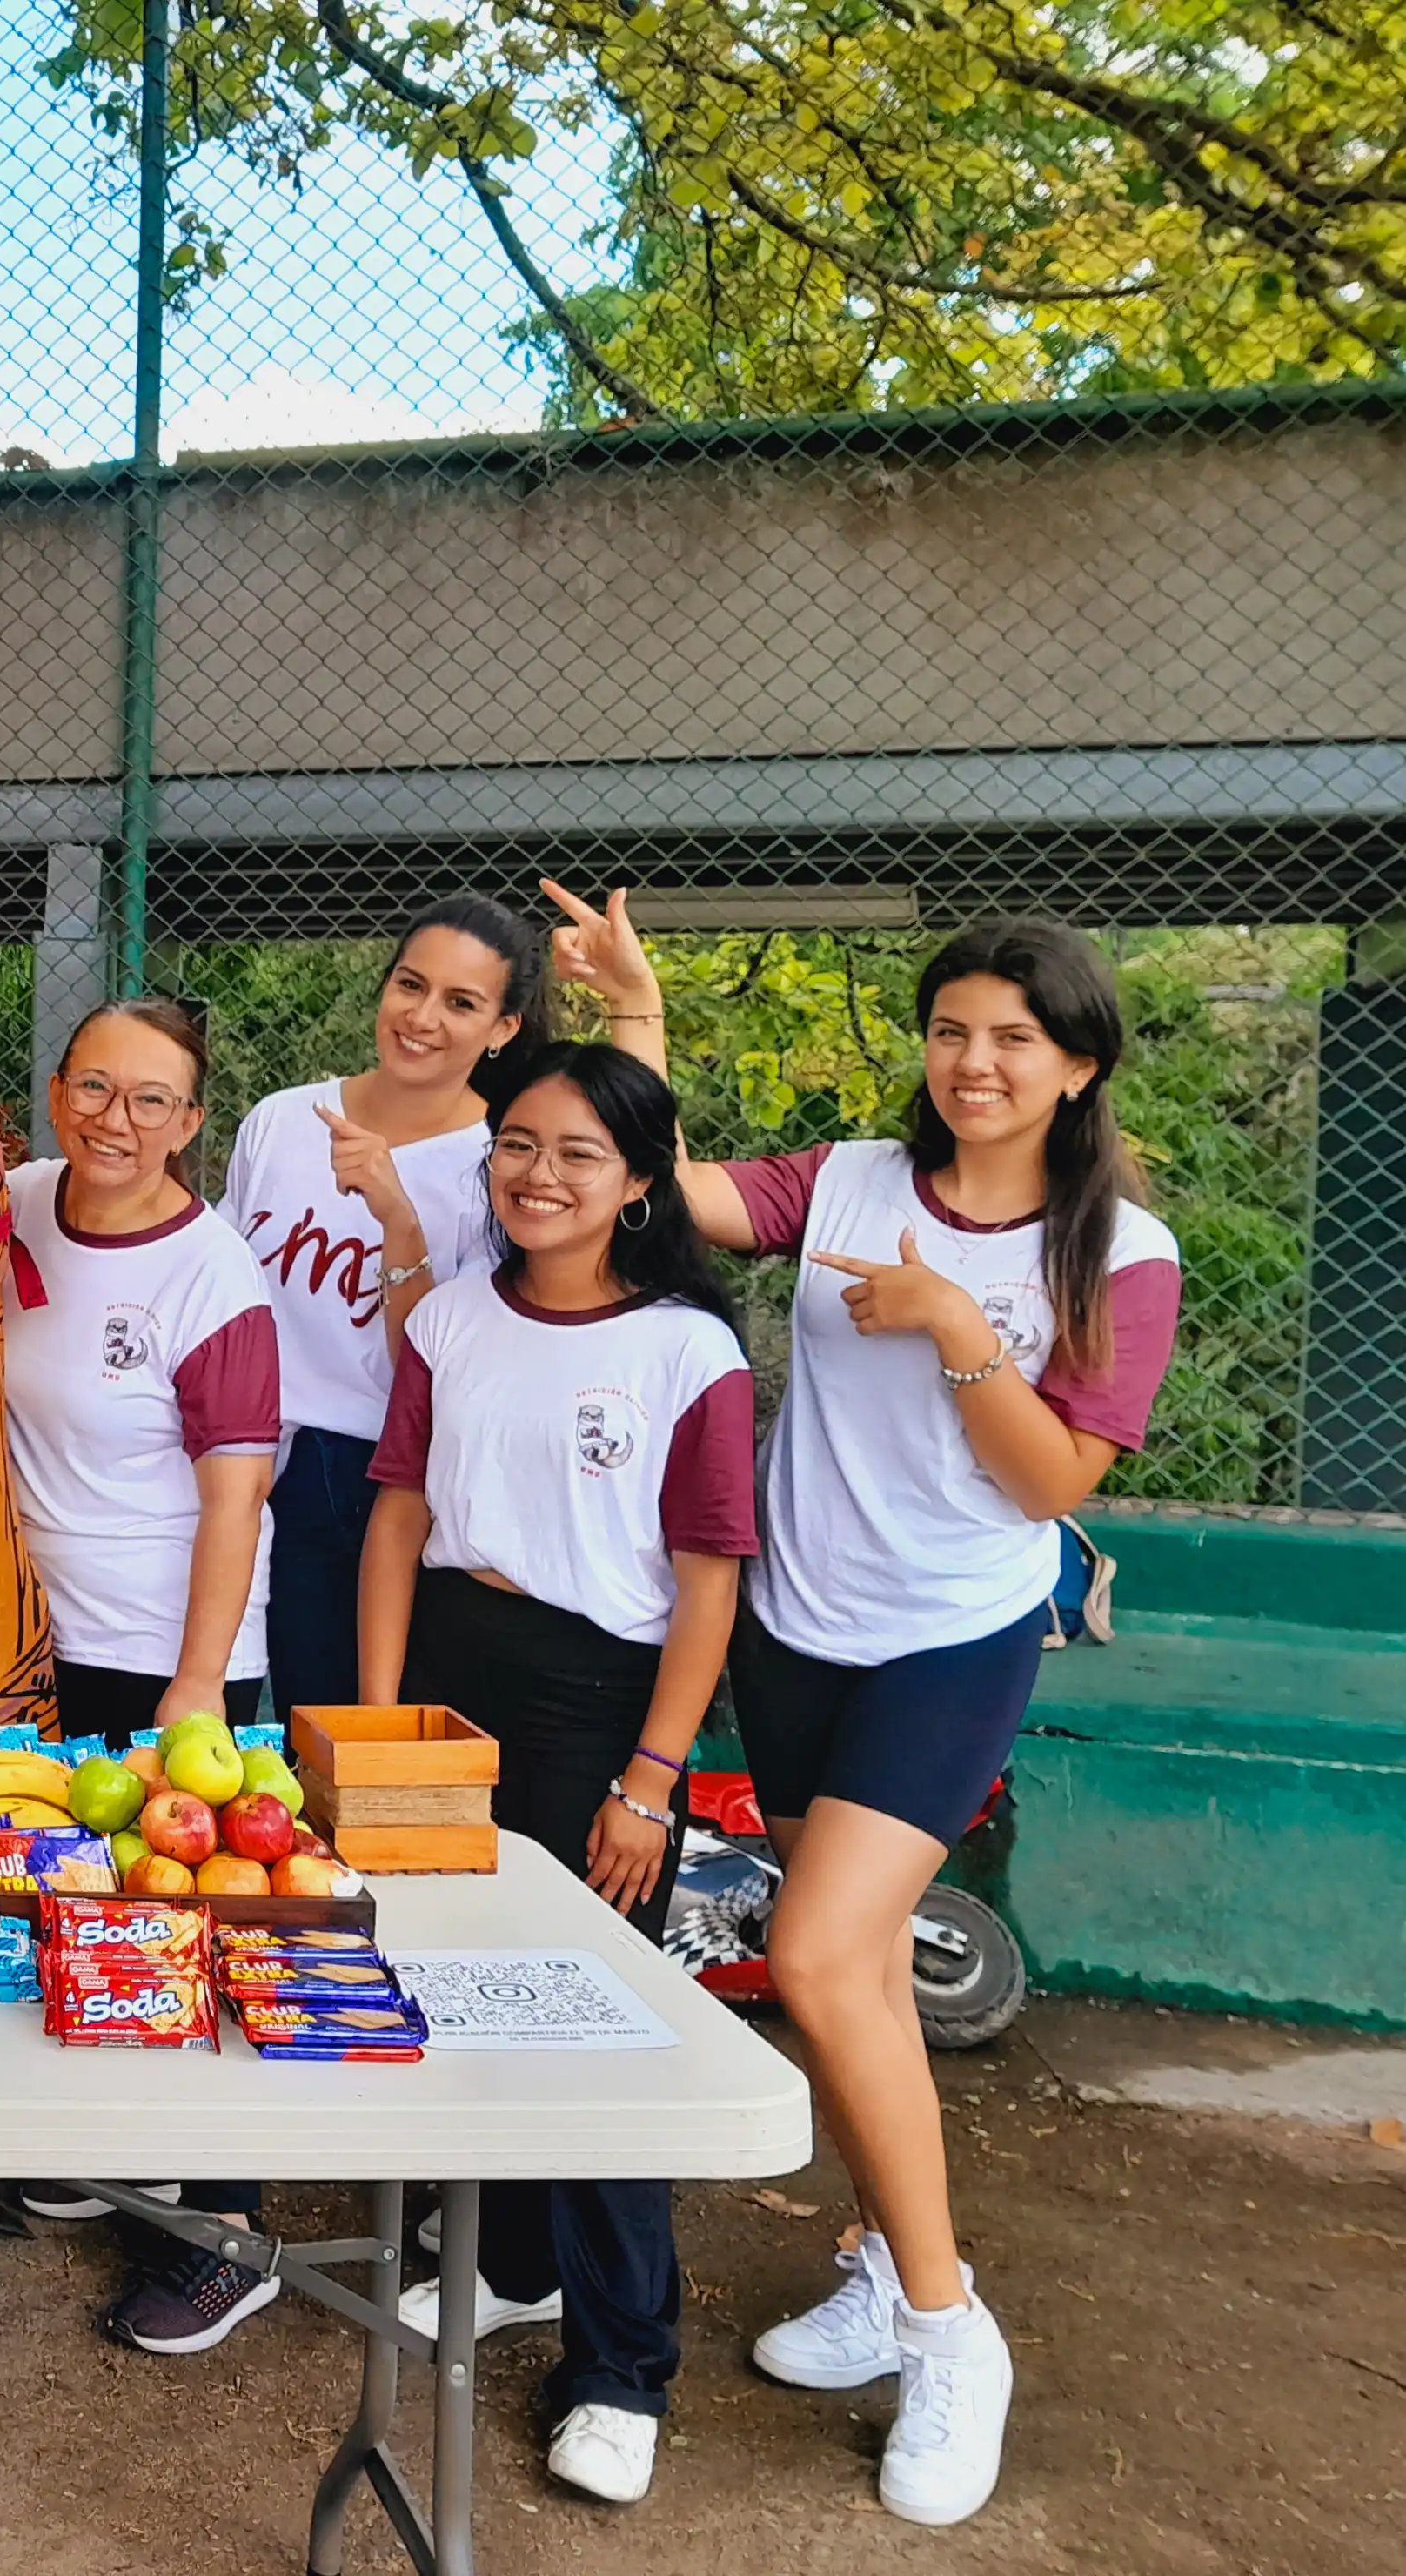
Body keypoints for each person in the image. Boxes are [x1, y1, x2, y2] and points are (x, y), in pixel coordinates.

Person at [566, 904, 1180, 2526]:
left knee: (829, 1960)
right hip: (793, 1628)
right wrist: (638, 1013)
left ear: (1077, 1067)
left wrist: (969, 1339)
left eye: (1013, 1040)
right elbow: (668, 1184)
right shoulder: (844, 1183)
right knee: (851, 1994)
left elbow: (1053, 1485)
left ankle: (946, 2327)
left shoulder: (1118, 1251)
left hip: (950, 1641)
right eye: (950, 1031)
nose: (973, 1064)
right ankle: (871, 2264)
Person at [356, 1040, 758, 2508]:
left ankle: (618, 2364)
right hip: (451, 1664)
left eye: (578, 1153)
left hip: (601, 1694)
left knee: (593, 2016)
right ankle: (512, 2266)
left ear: (638, 1181)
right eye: (516, 1144)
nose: (537, 1174)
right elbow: (396, 1516)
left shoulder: (684, 1354)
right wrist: (380, 1722)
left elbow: (707, 1580)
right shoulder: (450, 1318)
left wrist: (650, 1779)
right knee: (458, 1976)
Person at [0, 998, 290, 2353]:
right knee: (72, 1897)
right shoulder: (13, 1209)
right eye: (93, 1089)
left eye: (151, 1101)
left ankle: (227, 2230)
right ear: (55, 1092)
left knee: (205, 1917)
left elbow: (231, 1502)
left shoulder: (212, 1277)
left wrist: (193, 1686)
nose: (116, 1121)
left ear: (190, 1123)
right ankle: (107, 2143)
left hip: (166, 1643)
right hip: (23, 1631)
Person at [221, 896, 573, 1722]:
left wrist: (395, 1214)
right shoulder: (280, 1119)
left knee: (324, 1731)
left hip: (362, 1477)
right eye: (409, 986)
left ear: (502, 1029)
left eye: (460, 1003)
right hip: (235, 1455)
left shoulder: (501, 1163)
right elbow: (229, 1303)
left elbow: (439, 1370)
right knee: (210, 1720)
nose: (421, 1018)